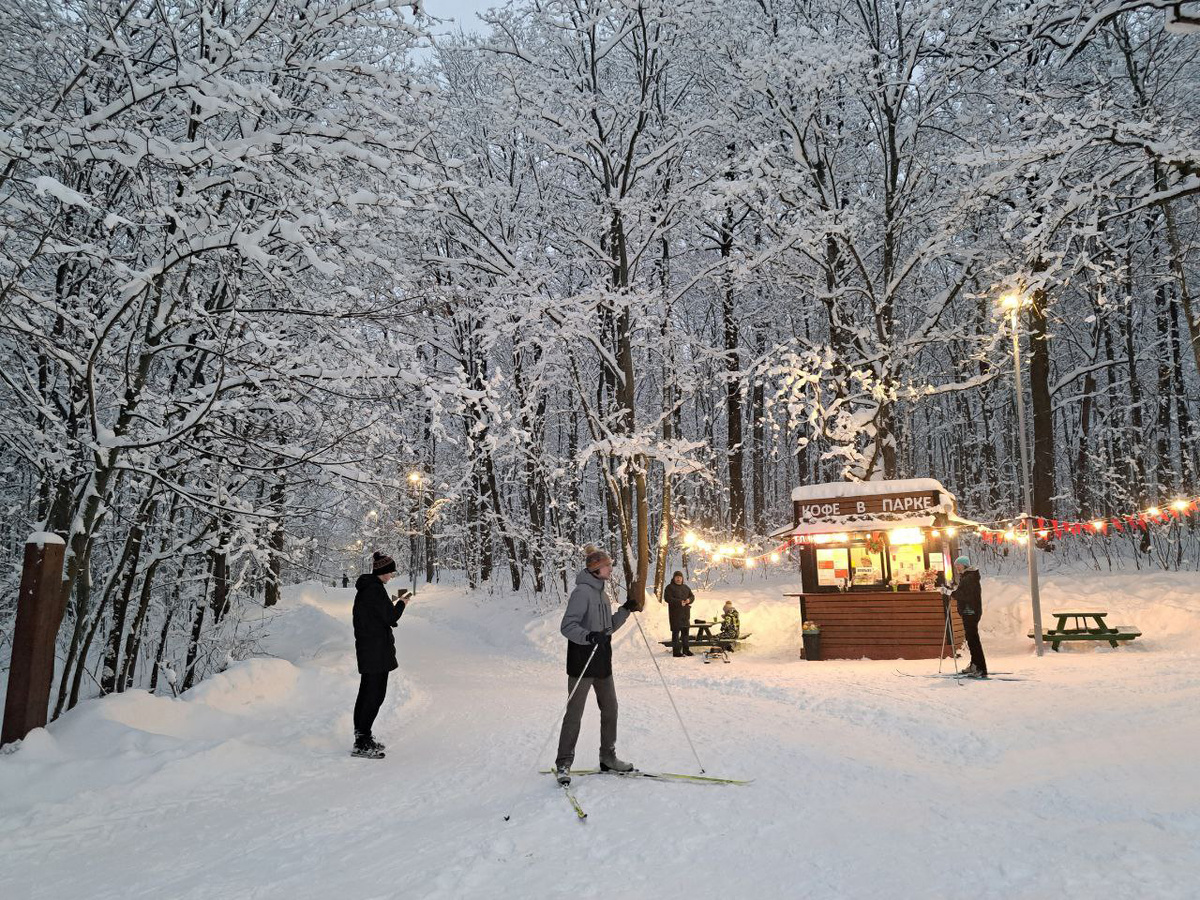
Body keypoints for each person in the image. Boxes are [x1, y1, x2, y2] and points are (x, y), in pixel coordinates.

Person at [555, 546, 641, 785]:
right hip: (582, 662)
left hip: (602, 661)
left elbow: (607, 629)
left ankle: (608, 757)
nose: (611, 568)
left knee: (611, 709)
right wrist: (589, 636)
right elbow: (567, 626)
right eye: (608, 565)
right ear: (596, 569)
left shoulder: (602, 593)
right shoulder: (581, 593)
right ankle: (563, 763)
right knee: (574, 714)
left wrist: (624, 611)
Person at [351, 551, 412, 759]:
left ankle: (363, 736)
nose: (391, 576)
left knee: (367, 693)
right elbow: (390, 616)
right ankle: (362, 741)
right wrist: (403, 602)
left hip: (369, 649)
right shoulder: (375, 591)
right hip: (375, 651)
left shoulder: (368, 589)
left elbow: (380, 615)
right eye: (390, 572)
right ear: (382, 572)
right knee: (374, 695)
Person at [951, 554, 987, 679]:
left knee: (973, 640)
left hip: (970, 611)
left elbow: (965, 595)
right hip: (969, 611)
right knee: (971, 640)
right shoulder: (967, 577)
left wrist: (951, 593)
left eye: (958, 565)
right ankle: (974, 664)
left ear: (964, 565)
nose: (957, 568)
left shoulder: (969, 578)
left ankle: (981, 668)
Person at [663, 571, 695, 657]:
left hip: (685, 614)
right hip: (675, 614)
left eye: (680, 577)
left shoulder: (686, 587)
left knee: (685, 633)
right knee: (676, 633)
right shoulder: (669, 587)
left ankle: (686, 650)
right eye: (676, 577)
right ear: (673, 578)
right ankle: (676, 652)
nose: (678, 579)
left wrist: (689, 600)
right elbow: (667, 598)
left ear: (682, 578)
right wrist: (679, 602)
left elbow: (692, 596)